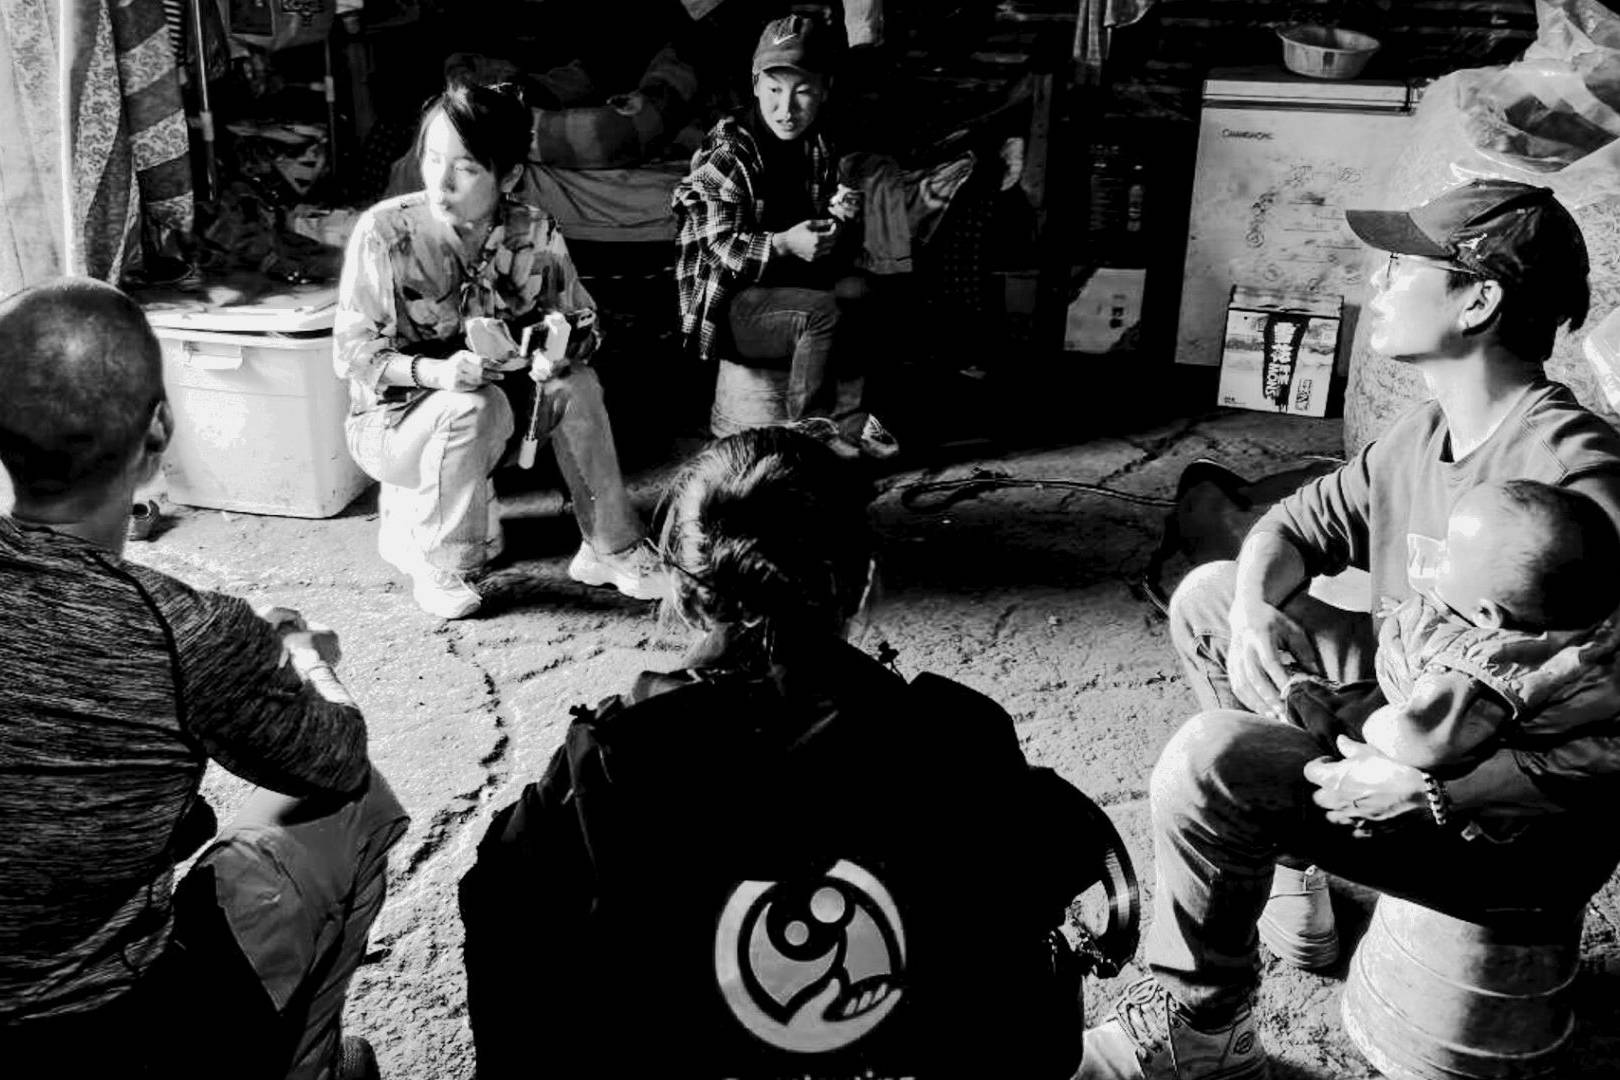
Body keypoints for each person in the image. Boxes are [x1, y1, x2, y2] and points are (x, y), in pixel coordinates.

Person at [1079, 179, 1620, 1080]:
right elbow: (1291, 528)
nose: (1377, 283)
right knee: (1212, 594)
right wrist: (1255, 607)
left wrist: (1439, 792)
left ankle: (1203, 1030)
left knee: (1210, 759)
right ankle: (1294, 861)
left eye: (1404, 266)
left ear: (1479, 300)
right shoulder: (1425, 433)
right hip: (1417, 719)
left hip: (1515, 830)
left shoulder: (1578, 482)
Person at [458, 428, 1090, 1079]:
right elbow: (1018, 995)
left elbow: (508, 933)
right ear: (861, 577)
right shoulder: (959, 738)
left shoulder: (610, 758)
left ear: (687, 591)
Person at [0, 279, 408, 1079]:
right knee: (360, 805)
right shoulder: (188, 630)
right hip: (96, 1028)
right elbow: (336, 758)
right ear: (160, 428)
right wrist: (296, 653)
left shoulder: (188, 630)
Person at [336, 80, 668, 620]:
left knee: (575, 383)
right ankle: (440, 559)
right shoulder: (384, 232)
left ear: (508, 176)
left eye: (466, 168)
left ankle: (610, 547)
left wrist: (562, 348)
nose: (440, 182)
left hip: (503, 417)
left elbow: (586, 320)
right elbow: (352, 354)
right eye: (432, 158)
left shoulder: (533, 231)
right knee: (474, 404)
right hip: (391, 428)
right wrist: (438, 374)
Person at [671, 13, 899, 461]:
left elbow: (820, 235)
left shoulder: (818, 145)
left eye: (803, 91)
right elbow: (717, 250)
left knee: (863, 291)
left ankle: (850, 428)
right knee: (824, 314)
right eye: (774, 91)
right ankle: (809, 440)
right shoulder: (728, 152)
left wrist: (837, 219)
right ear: (755, 86)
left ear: (825, 90)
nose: (786, 109)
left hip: (790, 289)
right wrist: (782, 242)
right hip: (730, 306)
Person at [1286, 480, 1620, 772]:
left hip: (1413, 733)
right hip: (1426, 696)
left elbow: (1424, 741)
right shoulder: (1567, 621)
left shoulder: (1472, 674)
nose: (1437, 551)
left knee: (1334, 714)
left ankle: (1300, 694)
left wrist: (1378, 725)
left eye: (1448, 553)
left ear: (1487, 617)